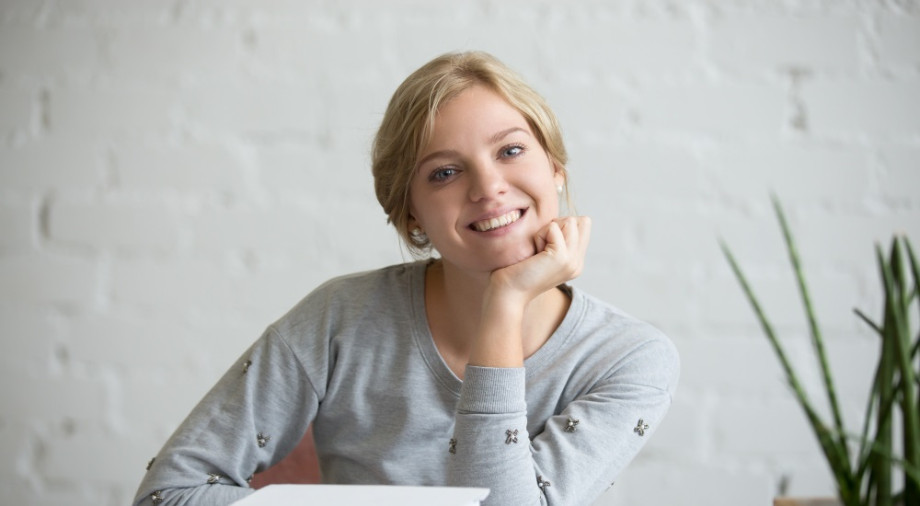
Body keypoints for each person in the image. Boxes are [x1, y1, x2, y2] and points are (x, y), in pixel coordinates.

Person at [133, 51, 679, 506]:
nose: (488, 186)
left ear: (555, 170)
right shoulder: (340, 318)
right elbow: (168, 493)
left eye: (511, 150)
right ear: (410, 214)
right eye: (444, 172)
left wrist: (505, 303)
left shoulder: (631, 359)